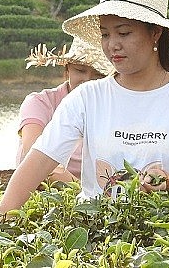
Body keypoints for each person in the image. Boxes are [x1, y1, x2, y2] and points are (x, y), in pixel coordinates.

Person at [0, 0, 169, 217]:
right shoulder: (87, 98)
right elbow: (38, 163)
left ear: (155, 33)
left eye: (124, 32)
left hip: (166, 243)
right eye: (105, 34)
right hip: (97, 240)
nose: (112, 45)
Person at [17, 37, 112, 183]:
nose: (87, 81)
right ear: (67, 70)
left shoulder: (115, 108)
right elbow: (37, 162)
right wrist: (85, 197)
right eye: (80, 71)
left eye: (99, 75)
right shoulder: (40, 103)